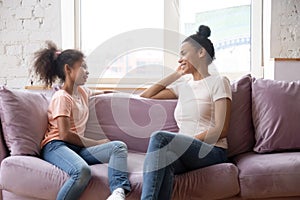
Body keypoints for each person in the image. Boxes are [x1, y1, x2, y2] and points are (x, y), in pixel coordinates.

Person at [140, 25, 232, 200]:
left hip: (211, 150)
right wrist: (176, 75)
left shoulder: (219, 82)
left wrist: (184, 143)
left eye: (184, 53)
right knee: (163, 159)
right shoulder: (183, 87)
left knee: (159, 138)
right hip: (184, 151)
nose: (180, 59)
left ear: (201, 53)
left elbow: (222, 129)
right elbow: (146, 95)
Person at [32, 41, 131, 200]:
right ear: (68, 69)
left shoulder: (83, 92)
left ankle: (118, 192)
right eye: (83, 67)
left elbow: (103, 92)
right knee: (82, 171)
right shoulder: (62, 97)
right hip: (57, 145)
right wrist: (96, 143)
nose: (87, 72)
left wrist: (130, 95)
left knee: (118, 147)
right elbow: (64, 135)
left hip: (78, 148)